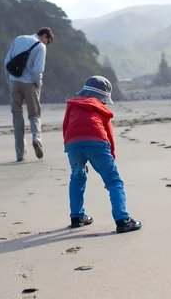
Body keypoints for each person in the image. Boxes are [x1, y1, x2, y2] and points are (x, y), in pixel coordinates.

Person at [62, 75, 142, 234]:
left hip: (72, 143)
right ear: (103, 97)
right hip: (97, 141)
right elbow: (109, 137)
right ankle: (123, 220)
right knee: (114, 181)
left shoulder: (73, 105)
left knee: (77, 177)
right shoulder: (102, 109)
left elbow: (66, 127)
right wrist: (111, 160)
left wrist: (72, 151)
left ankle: (77, 217)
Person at [4, 27, 54, 162]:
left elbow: (7, 62)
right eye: (48, 41)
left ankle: (20, 153)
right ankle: (36, 139)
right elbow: (38, 70)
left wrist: (10, 80)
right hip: (30, 83)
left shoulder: (18, 39)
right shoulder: (40, 47)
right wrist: (39, 85)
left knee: (17, 116)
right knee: (34, 114)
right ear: (44, 35)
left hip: (14, 82)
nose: (46, 44)